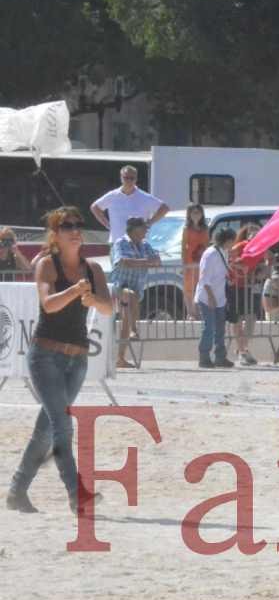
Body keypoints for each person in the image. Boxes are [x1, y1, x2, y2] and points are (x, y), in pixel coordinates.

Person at [7, 207, 113, 515]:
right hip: (45, 357)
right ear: (55, 233)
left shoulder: (93, 268)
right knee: (61, 425)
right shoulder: (46, 265)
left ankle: (16, 491)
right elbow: (49, 304)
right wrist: (75, 291)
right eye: (67, 226)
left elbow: (107, 308)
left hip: (76, 360)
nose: (75, 230)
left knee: (46, 429)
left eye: (78, 225)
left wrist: (94, 300)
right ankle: (76, 494)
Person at [108, 215, 162, 368]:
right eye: (144, 227)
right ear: (135, 229)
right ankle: (134, 329)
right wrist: (147, 262)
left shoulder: (145, 245)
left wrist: (149, 261)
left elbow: (158, 261)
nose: (146, 231)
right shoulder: (121, 243)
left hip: (136, 287)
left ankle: (120, 357)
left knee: (127, 314)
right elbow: (124, 261)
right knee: (130, 296)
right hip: (119, 286)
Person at [91, 165, 168, 243]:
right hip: (117, 242)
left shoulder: (144, 197)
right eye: (126, 178)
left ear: (136, 179)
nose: (129, 181)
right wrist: (108, 225)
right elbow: (95, 207)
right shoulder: (112, 196)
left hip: (138, 243)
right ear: (121, 178)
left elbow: (164, 208)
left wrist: (149, 223)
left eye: (132, 178)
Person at [195, 227, 237, 369]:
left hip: (220, 297)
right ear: (227, 240)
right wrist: (211, 298)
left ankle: (220, 357)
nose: (233, 244)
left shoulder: (223, 252)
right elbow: (204, 279)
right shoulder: (210, 254)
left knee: (220, 328)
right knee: (209, 327)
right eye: (232, 240)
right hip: (207, 297)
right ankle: (204, 357)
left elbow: (221, 272)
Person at [226, 223, 263, 366]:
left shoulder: (260, 248)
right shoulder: (241, 246)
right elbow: (229, 260)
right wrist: (241, 266)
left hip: (250, 287)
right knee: (238, 320)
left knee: (251, 318)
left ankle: (242, 349)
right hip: (236, 286)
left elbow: (269, 259)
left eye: (257, 233)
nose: (254, 236)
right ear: (247, 235)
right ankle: (242, 351)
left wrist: (262, 268)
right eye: (252, 233)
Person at [181, 205, 208, 321]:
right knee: (188, 288)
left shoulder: (205, 229)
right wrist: (184, 263)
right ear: (189, 214)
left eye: (198, 212)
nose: (196, 215)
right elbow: (183, 247)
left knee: (199, 287)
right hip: (189, 262)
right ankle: (191, 312)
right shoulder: (186, 229)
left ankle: (198, 311)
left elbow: (207, 245)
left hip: (201, 262)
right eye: (193, 213)